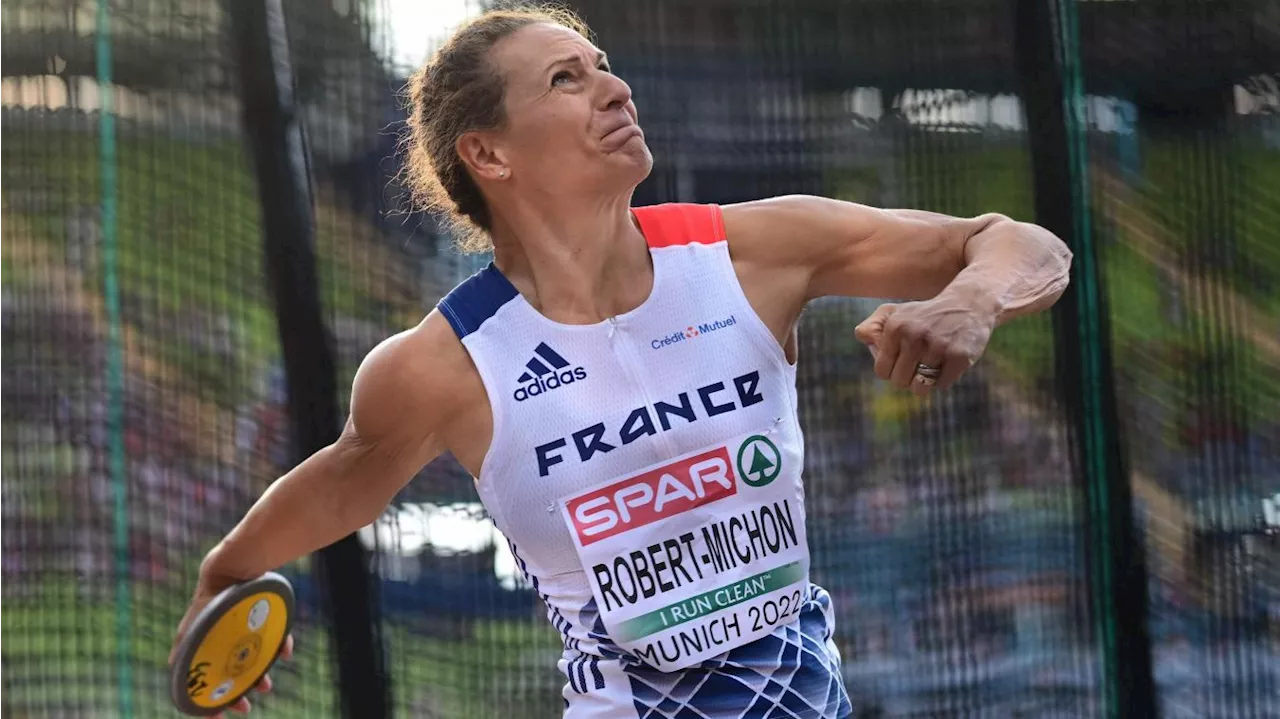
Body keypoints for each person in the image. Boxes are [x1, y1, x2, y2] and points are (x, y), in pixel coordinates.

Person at [171, 6, 1072, 718]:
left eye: (603, 67)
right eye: (569, 79)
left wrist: (970, 299)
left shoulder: (750, 253)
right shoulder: (443, 363)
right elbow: (338, 484)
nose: (615, 89)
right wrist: (225, 573)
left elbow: (1016, 241)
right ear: (486, 152)